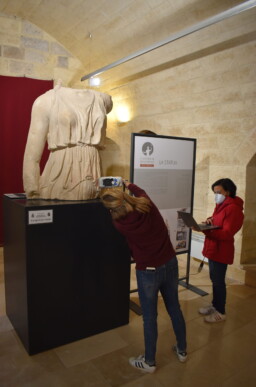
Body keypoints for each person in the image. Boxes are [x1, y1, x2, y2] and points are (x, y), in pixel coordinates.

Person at [100, 181, 187, 373]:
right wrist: (128, 183)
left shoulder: (119, 224)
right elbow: (141, 192)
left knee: (149, 317)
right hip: (170, 263)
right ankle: (182, 350)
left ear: (112, 210)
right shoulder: (147, 204)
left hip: (147, 271)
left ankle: (149, 362)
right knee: (174, 308)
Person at [23, 84, 113, 200]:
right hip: (61, 173)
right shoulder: (46, 101)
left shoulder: (103, 100)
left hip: (93, 172)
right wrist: (32, 188)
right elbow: (32, 152)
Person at [195, 178, 244, 323]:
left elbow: (226, 233)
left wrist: (205, 230)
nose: (216, 195)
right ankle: (215, 305)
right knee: (214, 279)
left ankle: (221, 312)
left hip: (221, 250)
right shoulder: (221, 205)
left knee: (218, 281)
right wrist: (208, 222)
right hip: (214, 248)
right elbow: (217, 221)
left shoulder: (233, 209)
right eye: (214, 192)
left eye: (218, 192)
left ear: (228, 192)